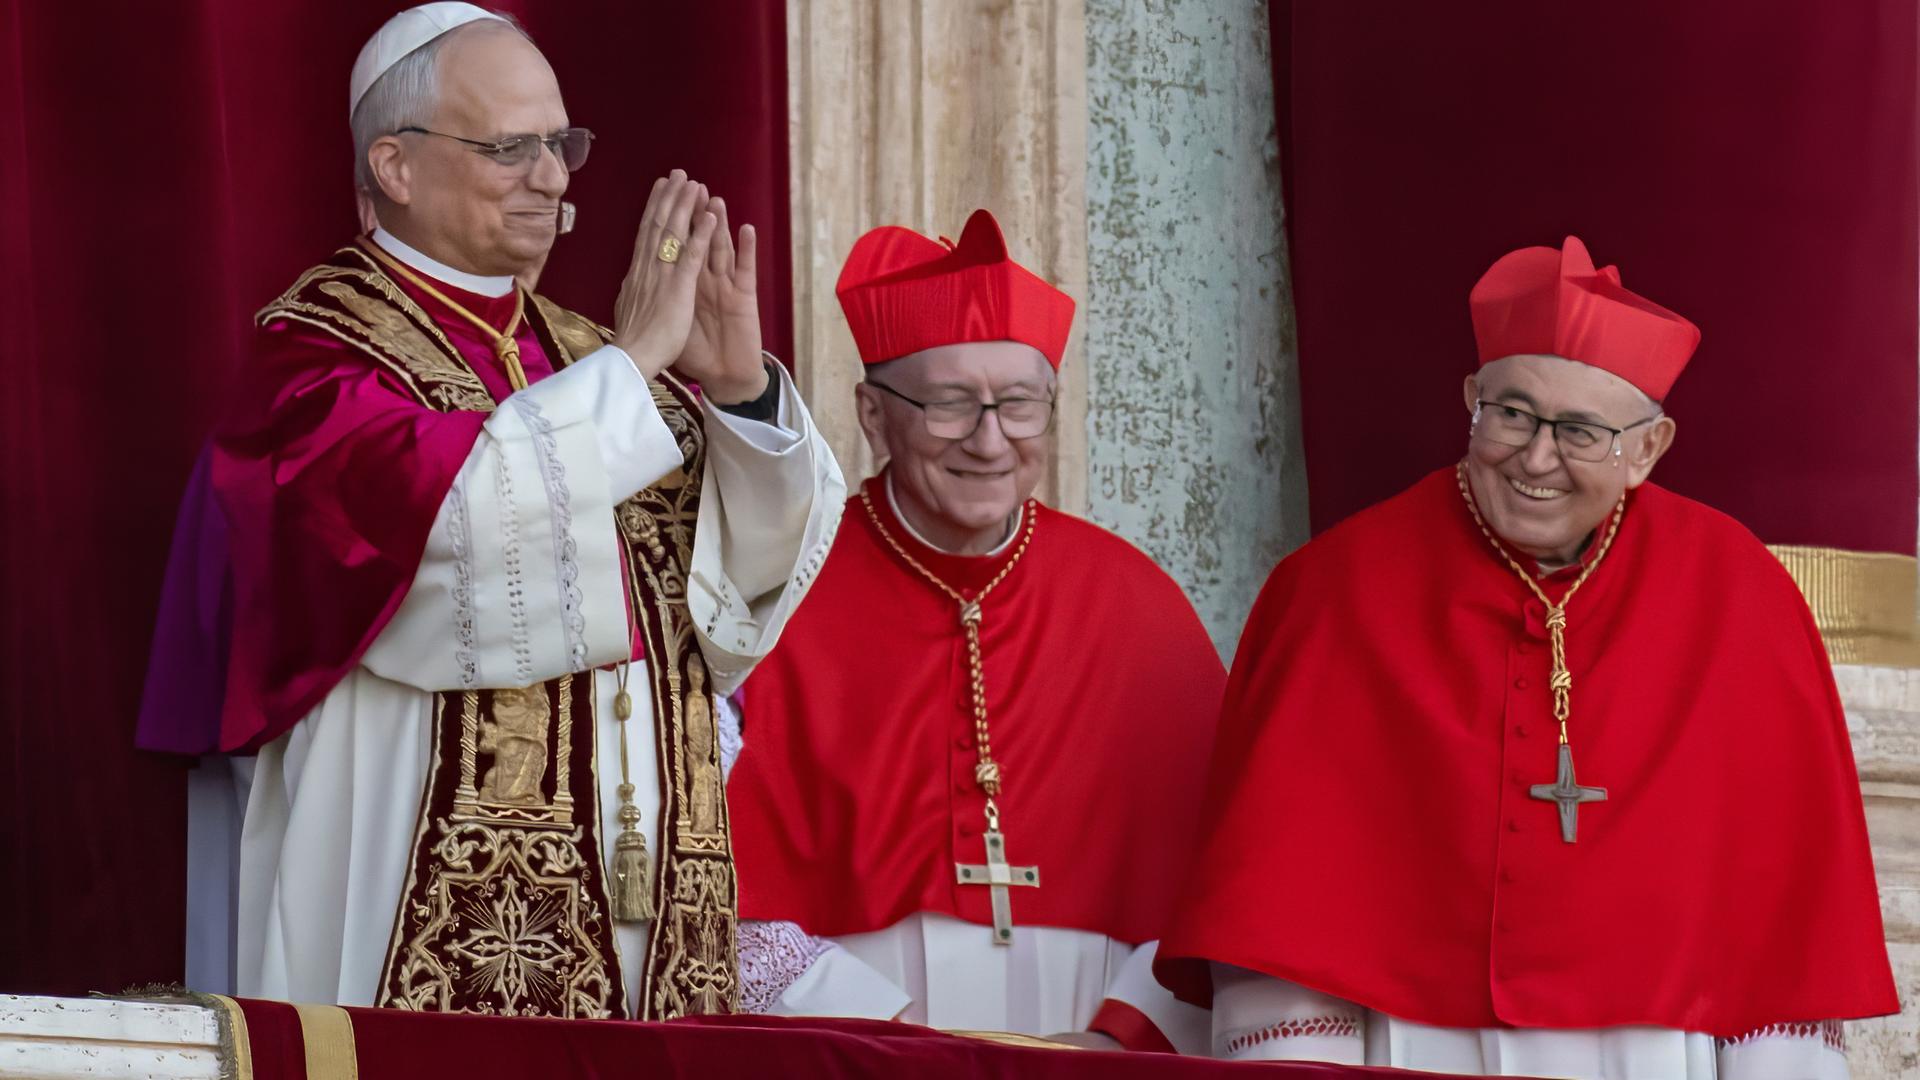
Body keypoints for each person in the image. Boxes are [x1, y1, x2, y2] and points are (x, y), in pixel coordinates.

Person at [135, 2, 842, 1020]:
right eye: (512, 148)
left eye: (562, 145)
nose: (553, 179)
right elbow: (442, 528)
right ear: (396, 167)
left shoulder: (583, 353)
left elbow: (728, 609)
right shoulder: (322, 354)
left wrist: (736, 393)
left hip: (637, 903)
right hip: (404, 877)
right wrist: (636, 365)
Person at [1153, 236, 1898, 1076]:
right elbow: (1279, 905)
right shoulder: (1333, 591)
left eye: (1580, 431)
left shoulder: (1741, 598)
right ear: (1473, 398)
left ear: (1648, 450)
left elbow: (1779, 927)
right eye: (1512, 414)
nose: (1537, 458)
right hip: (1411, 1048)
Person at [723, 209, 1221, 1053]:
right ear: (875, 416)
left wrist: (1122, 1039)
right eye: (951, 404)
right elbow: (700, 869)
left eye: (1019, 404)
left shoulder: (1136, 601)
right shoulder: (778, 590)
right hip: (844, 1047)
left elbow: (1226, 865)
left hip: (1102, 1052)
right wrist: (884, 1039)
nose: (990, 441)